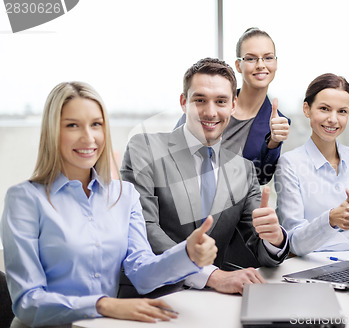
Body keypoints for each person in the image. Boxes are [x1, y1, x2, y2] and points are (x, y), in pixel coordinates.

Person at [0, 82, 217, 327]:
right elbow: (27, 302)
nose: (88, 137)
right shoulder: (25, 199)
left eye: (96, 124)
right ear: (52, 132)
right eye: (72, 125)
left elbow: (142, 273)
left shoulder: (125, 195)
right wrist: (103, 305)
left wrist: (187, 253)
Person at [121, 58, 289, 295]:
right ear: (183, 102)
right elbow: (145, 229)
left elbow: (258, 249)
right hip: (151, 296)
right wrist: (211, 275)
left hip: (213, 302)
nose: (210, 112)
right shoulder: (144, 148)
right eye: (199, 100)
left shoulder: (244, 170)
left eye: (221, 101)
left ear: (233, 105)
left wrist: (275, 238)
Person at [274, 73, 349, 256]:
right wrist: (330, 220)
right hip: (307, 270)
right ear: (307, 109)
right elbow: (295, 242)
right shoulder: (289, 164)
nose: (333, 119)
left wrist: (316, 238)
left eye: (342, 111)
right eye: (324, 108)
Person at [175, 27, 290, 185]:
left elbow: (261, 178)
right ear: (238, 65)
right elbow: (174, 150)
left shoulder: (277, 122)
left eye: (268, 58)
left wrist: (274, 143)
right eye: (251, 58)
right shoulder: (208, 102)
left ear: (276, 63)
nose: (261, 65)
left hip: (234, 206)